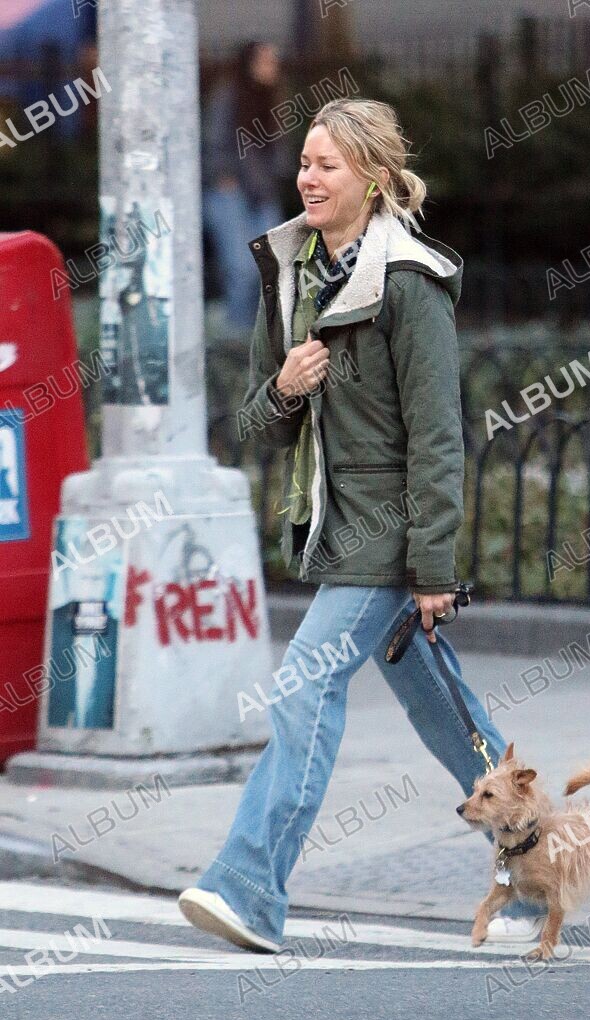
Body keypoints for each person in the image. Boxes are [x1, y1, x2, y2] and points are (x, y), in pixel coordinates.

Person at [180, 97, 544, 951]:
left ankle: (249, 885)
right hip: (336, 528)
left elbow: (438, 438)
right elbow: (252, 423)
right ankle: (543, 868)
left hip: (390, 535)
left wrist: (432, 568)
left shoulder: (409, 285)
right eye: (304, 162)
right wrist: (286, 388)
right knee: (447, 715)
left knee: (305, 682)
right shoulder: (292, 275)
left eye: (327, 164)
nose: (308, 176)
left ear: (374, 179)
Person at [201, 41, 286, 335]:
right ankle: (235, 337)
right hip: (229, 191)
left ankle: (259, 336)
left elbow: (279, 152)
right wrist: (222, 175)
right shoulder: (229, 96)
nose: (272, 66)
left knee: (271, 267)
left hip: (262, 193)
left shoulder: (272, 99)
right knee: (241, 267)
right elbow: (214, 140)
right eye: (265, 61)